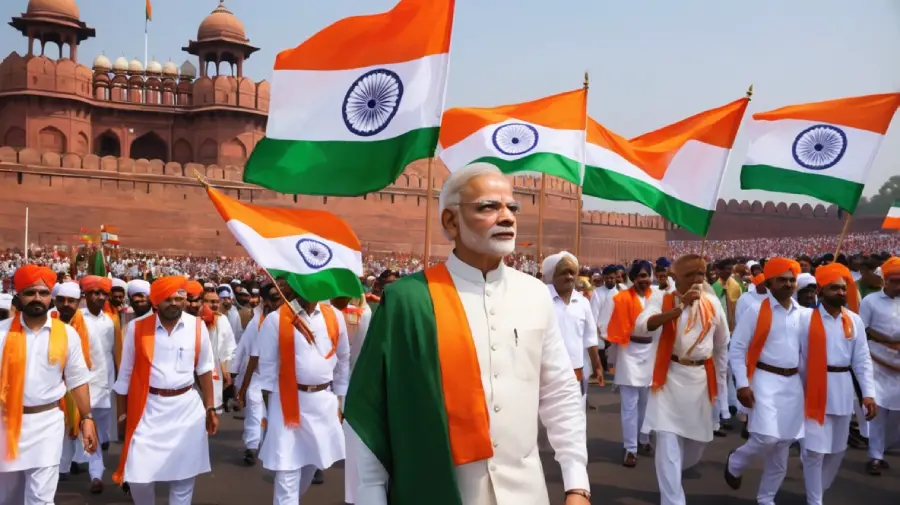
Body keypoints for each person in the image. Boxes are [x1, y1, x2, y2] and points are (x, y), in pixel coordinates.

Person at [345, 163, 590, 505]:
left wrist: (577, 484)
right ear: (450, 222)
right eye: (488, 207)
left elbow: (560, 393)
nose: (507, 217)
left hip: (525, 493)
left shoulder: (534, 294)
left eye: (512, 208)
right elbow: (370, 411)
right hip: (438, 491)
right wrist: (371, 497)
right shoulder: (409, 300)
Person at [113, 276, 218, 505]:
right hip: (148, 409)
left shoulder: (197, 327)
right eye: (168, 299)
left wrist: (210, 406)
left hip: (186, 411)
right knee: (139, 477)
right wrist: (122, 414)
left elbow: (205, 369)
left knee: (183, 481)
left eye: (179, 298)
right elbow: (125, 376)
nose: (174, 303)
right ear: (156, 302)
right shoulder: (137, 328)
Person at [635, 254, 729, 505]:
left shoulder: (712, 303)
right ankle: (673, 500)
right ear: (675, 278)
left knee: (698, 442)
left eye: (702, 274)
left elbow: (721, 346)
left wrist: (722, 389)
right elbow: (645, 325)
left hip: (700, 381)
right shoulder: (660, 297)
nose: (699, 279)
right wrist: (680, 307)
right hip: (668, 379)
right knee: (667, 442)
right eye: (691, 275)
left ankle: (675, 474)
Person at [0, 265, 97, 505]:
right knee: (8, 497)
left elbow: (78, 380)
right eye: (30, 292)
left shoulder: (66, 334)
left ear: (49, 297)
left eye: (43, 293)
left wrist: (87, 418)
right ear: (19, 296)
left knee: (40, 499)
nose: (37, 298)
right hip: (5, 424)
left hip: (47, 424)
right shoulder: (1, 333)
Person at [256, 276, 350, 505]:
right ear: (297, 285)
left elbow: (343, 358)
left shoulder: (334, 316)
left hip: (323, 402)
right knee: (287, 470)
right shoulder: (276, 320)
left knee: (311, 464)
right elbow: (266, 371)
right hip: (287, 403)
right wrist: (268, 415)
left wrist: (340, 401)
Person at [725, 258, 807, 505]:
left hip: (793, 384)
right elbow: (737, 348)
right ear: (770, 282)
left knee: (783, 444)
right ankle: (736, 461)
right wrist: (742, 384)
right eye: (782, 279)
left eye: (792, 280)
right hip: (764, 380)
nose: (788, 284)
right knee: (766, 437)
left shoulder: (803, 314)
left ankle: (766, 498)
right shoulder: (756, 310)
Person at [799, 263, 876, 505]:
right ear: (820, 292)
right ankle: (815, 501)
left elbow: (862, 360)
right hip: (811, 390)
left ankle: (817, 492)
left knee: (837, 451)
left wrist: (868, 394)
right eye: (834, 288)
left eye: (843, 288)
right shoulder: (804, 319)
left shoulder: (854, 320)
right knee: (813, 452)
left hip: (842, 389)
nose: (841, 293)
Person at [606, 260, 656, 467]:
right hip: (628, 352)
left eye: (646, 276)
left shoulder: (658, 298)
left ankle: (643, 438)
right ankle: (630, 448)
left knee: (647, 403)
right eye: (640, 276)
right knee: (629, 405)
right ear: (633, 278)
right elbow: (611, 326)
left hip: (651, 352)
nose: (643, 280)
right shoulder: (621, 298)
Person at [859, 256, 900, 475]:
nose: (899, 285)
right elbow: (861, 328)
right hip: (877, 362)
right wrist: (885, 341)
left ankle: (883, 447)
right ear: (885, 281)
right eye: (895, 281)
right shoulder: (870, 301)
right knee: (878, 411)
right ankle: (875, 456)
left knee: (896, 415)